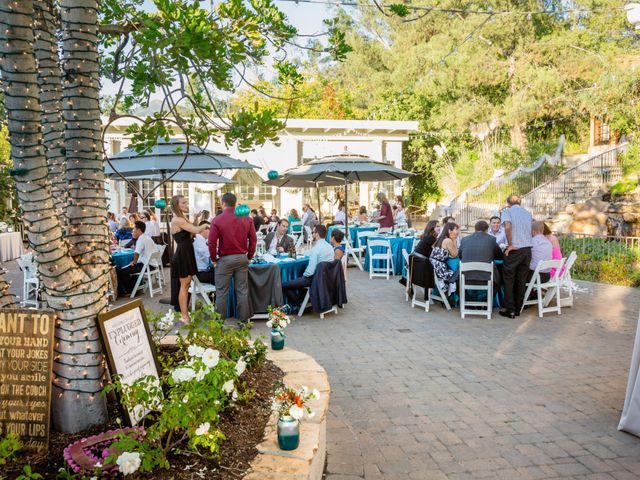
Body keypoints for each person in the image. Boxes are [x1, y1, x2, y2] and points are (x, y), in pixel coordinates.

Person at [209, 193, 257, 326]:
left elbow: (212, 242)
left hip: (225, 259)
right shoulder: (246, 219)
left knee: (221, 292)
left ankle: (219, 324)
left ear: (223, 203)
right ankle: (243, 322)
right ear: (235, 203)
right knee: (242, 291)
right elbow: (253, 239)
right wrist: (249, 256)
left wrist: (213, 259)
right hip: (242, 258)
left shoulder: (217, 220)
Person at [171, 195, 208, 323]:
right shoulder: (177, 220)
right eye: (184, 202)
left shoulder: (182, 218)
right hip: (182, 254)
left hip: (186, 252)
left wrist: (196, 219)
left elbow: (191, 232)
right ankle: (185, 316)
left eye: (186, 202)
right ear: (177, 205)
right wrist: (208, 224)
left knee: (186, 285)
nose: (186, 204)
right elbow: (196, 230)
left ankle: (185, 314)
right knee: (185, 286)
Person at [282, 224, 333, 310]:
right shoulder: (329, 247)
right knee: (300, 278)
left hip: (314, 278)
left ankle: (299, 304)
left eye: (313, 232)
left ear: (316, 234)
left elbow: (310, 271)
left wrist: (303, 276)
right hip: (327, 278)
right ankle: (306, 301)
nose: (312, 234)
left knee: (284, 285)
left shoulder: (316, 249)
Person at [499, 194, 533, 319]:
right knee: (521, 280)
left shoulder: (507, 211)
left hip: (515, 249)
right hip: (527, 250)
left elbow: (508, 227)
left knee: (508, 280)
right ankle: (518, 309)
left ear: (508, 203)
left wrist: (511, 244)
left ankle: (510, 310)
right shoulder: (527, 213)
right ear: (520, 203)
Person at [459, 220, 504, 291]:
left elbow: (460, 256)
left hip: (466, 277)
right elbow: (499, 256)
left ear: (475, 229)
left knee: (457, 281)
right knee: (500, 279)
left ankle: (467, 300)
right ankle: (487, 300)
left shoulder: (464, 239)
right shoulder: (491, 239)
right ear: (487, 230)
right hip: (486, 278)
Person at [116, 221, 159, 294]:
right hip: (152, 264)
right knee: (128, 269)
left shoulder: (141, 239)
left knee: (121, 271)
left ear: (138, 230)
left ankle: (130, 291)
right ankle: (134, 288)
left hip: (147, 265)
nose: (132, 231)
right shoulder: (147, 237)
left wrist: (134, 262)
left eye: (134, 229)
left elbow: (136, 253)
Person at [429, 222, 460, 297]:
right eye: (456, 229)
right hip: (439, 269)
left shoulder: (442, 238)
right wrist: (454, 240)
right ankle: (454, 298)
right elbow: (455, 254)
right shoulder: (448, 241)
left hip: (433, 266)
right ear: (450, 231)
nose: (458, 232)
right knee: (457, 274)